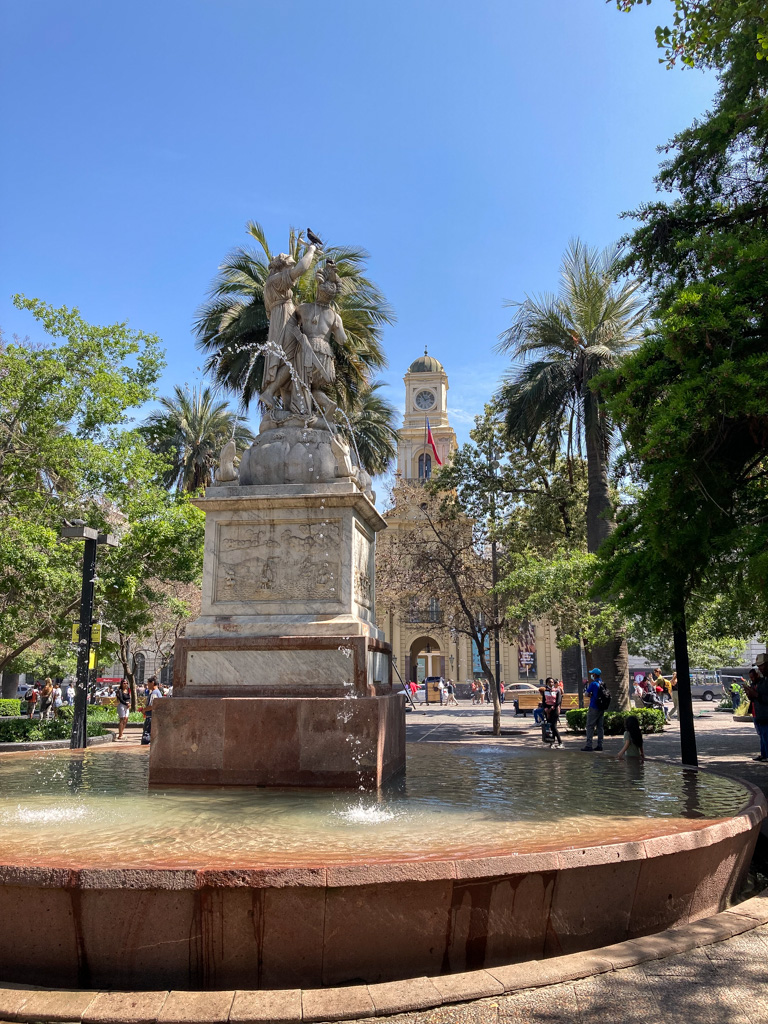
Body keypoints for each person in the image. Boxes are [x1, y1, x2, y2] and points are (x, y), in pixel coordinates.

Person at [745, 667, 768, 762]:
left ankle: (766, 755)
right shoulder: (753, 684)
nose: (752, 679)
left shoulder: (764, 683)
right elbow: (753, 698)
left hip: (764, 714)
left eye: (754, 677)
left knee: (765, 735)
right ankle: (763, 754)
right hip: (756, 713)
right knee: (761, 735)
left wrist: (756, 695)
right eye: (751, 678)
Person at [582, 667, 607, 752]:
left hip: (594, 706)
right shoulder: (602, 683)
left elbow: (586, 693)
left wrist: (590, 695)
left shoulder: (593, 684)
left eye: (592, 674)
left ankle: (589, 745)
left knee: (590, 726)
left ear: (595, 675)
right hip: (601, 707)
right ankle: (600, 745)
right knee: (600, 727)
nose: (592, 675)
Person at [141, 677, 163, 745]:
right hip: (154, 717)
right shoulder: (158, 692)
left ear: (152, 683)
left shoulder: (154, 693)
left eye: (148, 683)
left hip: (150, 718)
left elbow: (152, 706)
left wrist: (144, 710)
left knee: (146, 736)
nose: (147, 685)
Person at [544, 677, 563, 748]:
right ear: (547, 683)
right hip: (547, 710)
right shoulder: (545, 691)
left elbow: (558, 701)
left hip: (554, 710)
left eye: (552, 682)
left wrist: (552, 708)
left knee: (554, 726)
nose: (551, 683)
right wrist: (546, 709)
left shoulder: (557, 691)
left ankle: (560, 743)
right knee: (550, 727)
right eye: (549, 682)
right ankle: (552, 743)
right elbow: (544, 701)